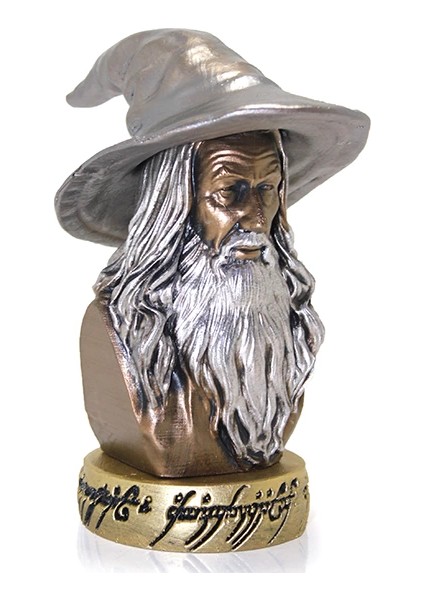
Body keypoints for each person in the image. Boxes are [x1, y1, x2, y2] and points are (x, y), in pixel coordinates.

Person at [56, 30, 369, 477]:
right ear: (174, 208)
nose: (256, 219)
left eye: (267, 189)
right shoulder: (118, 330)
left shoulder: (291, 333)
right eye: (228, 192)